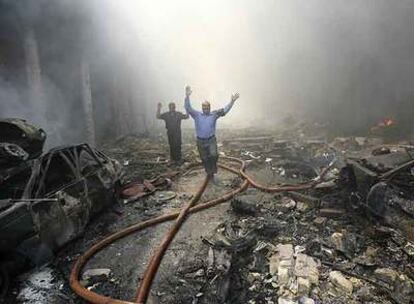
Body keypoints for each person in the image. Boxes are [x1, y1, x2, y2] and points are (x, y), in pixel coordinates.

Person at [184, 85, 239, 180]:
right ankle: (209, 172)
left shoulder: (214, 114)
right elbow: (188, 108)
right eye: (204, 107)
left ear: (210, 107)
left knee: (213, 155)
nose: (205, 108)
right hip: (200, 141)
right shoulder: (197, 115)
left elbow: (225, 110)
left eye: (207, 107)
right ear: (202, 107)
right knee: (204, 158)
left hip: (211, 140)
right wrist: (187, 96)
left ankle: (213, 168)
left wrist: (232, 101)